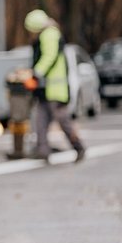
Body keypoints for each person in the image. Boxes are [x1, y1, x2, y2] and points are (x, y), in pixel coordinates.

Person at [22, 9, 86, 163]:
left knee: (62, 120)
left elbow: (49, 57)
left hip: (55, 89)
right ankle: (43, 151)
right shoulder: (48, 34)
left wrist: (35, 73)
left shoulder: (49, 35)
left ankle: (78, 146)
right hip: (45, 89)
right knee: (40, 120)